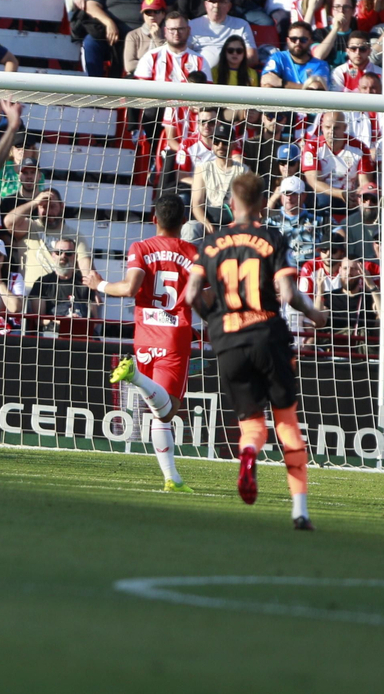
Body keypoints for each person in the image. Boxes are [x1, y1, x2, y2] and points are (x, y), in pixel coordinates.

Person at [184, 171, 329, 524]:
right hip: (267, 334)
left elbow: (191, 295)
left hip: (228, 340)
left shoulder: (212, 243)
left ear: (232, 203)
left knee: (251, 423)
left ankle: (248, 451)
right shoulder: (273, 238)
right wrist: (314, 314)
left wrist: (215, 321)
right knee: (286, 421)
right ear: (264, 202)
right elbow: (289, 295)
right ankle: (300, 511)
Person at [82, 194, 197, 492]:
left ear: (154, 218)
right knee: (168, 411)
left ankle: (172, 478)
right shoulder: (193, 253)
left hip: (144, 336)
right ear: (184, 221)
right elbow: (204, 297)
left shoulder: (141, 247)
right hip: (174, 336)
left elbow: (130, 288)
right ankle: (133, 376)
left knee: (159, 413)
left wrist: (99, 284)